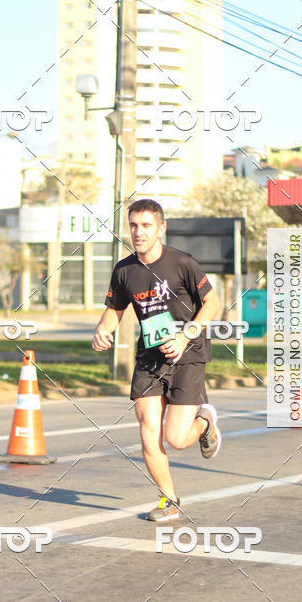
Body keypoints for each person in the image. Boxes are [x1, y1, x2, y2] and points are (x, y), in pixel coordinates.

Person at [92, 198, 223, 522]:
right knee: (147, 428)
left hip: (188, 353)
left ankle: (205, 421)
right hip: (150, 357)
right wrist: (102, 330)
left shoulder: (182, 263)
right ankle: (169, 499)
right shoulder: (124, 270)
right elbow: (115, 310)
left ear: (161, 228)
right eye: (134, 225)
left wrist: (184, 335)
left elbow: (213, 303)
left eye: (146, 225)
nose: (139, 232)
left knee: (176, 439)